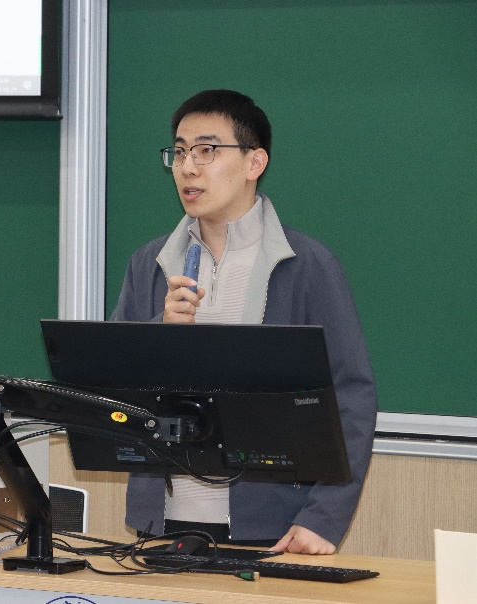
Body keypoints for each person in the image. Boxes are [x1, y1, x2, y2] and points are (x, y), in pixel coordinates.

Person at [110, 89, 377, 555]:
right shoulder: (149, 264)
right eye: (179, 152)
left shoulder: (307, 266)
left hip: (271, 528)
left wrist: (324, 517)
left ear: (254, 162)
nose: (188, 167)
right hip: (162, 525)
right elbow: (108, 386)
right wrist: (160, 332)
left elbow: (351, 395)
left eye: (207, 151)